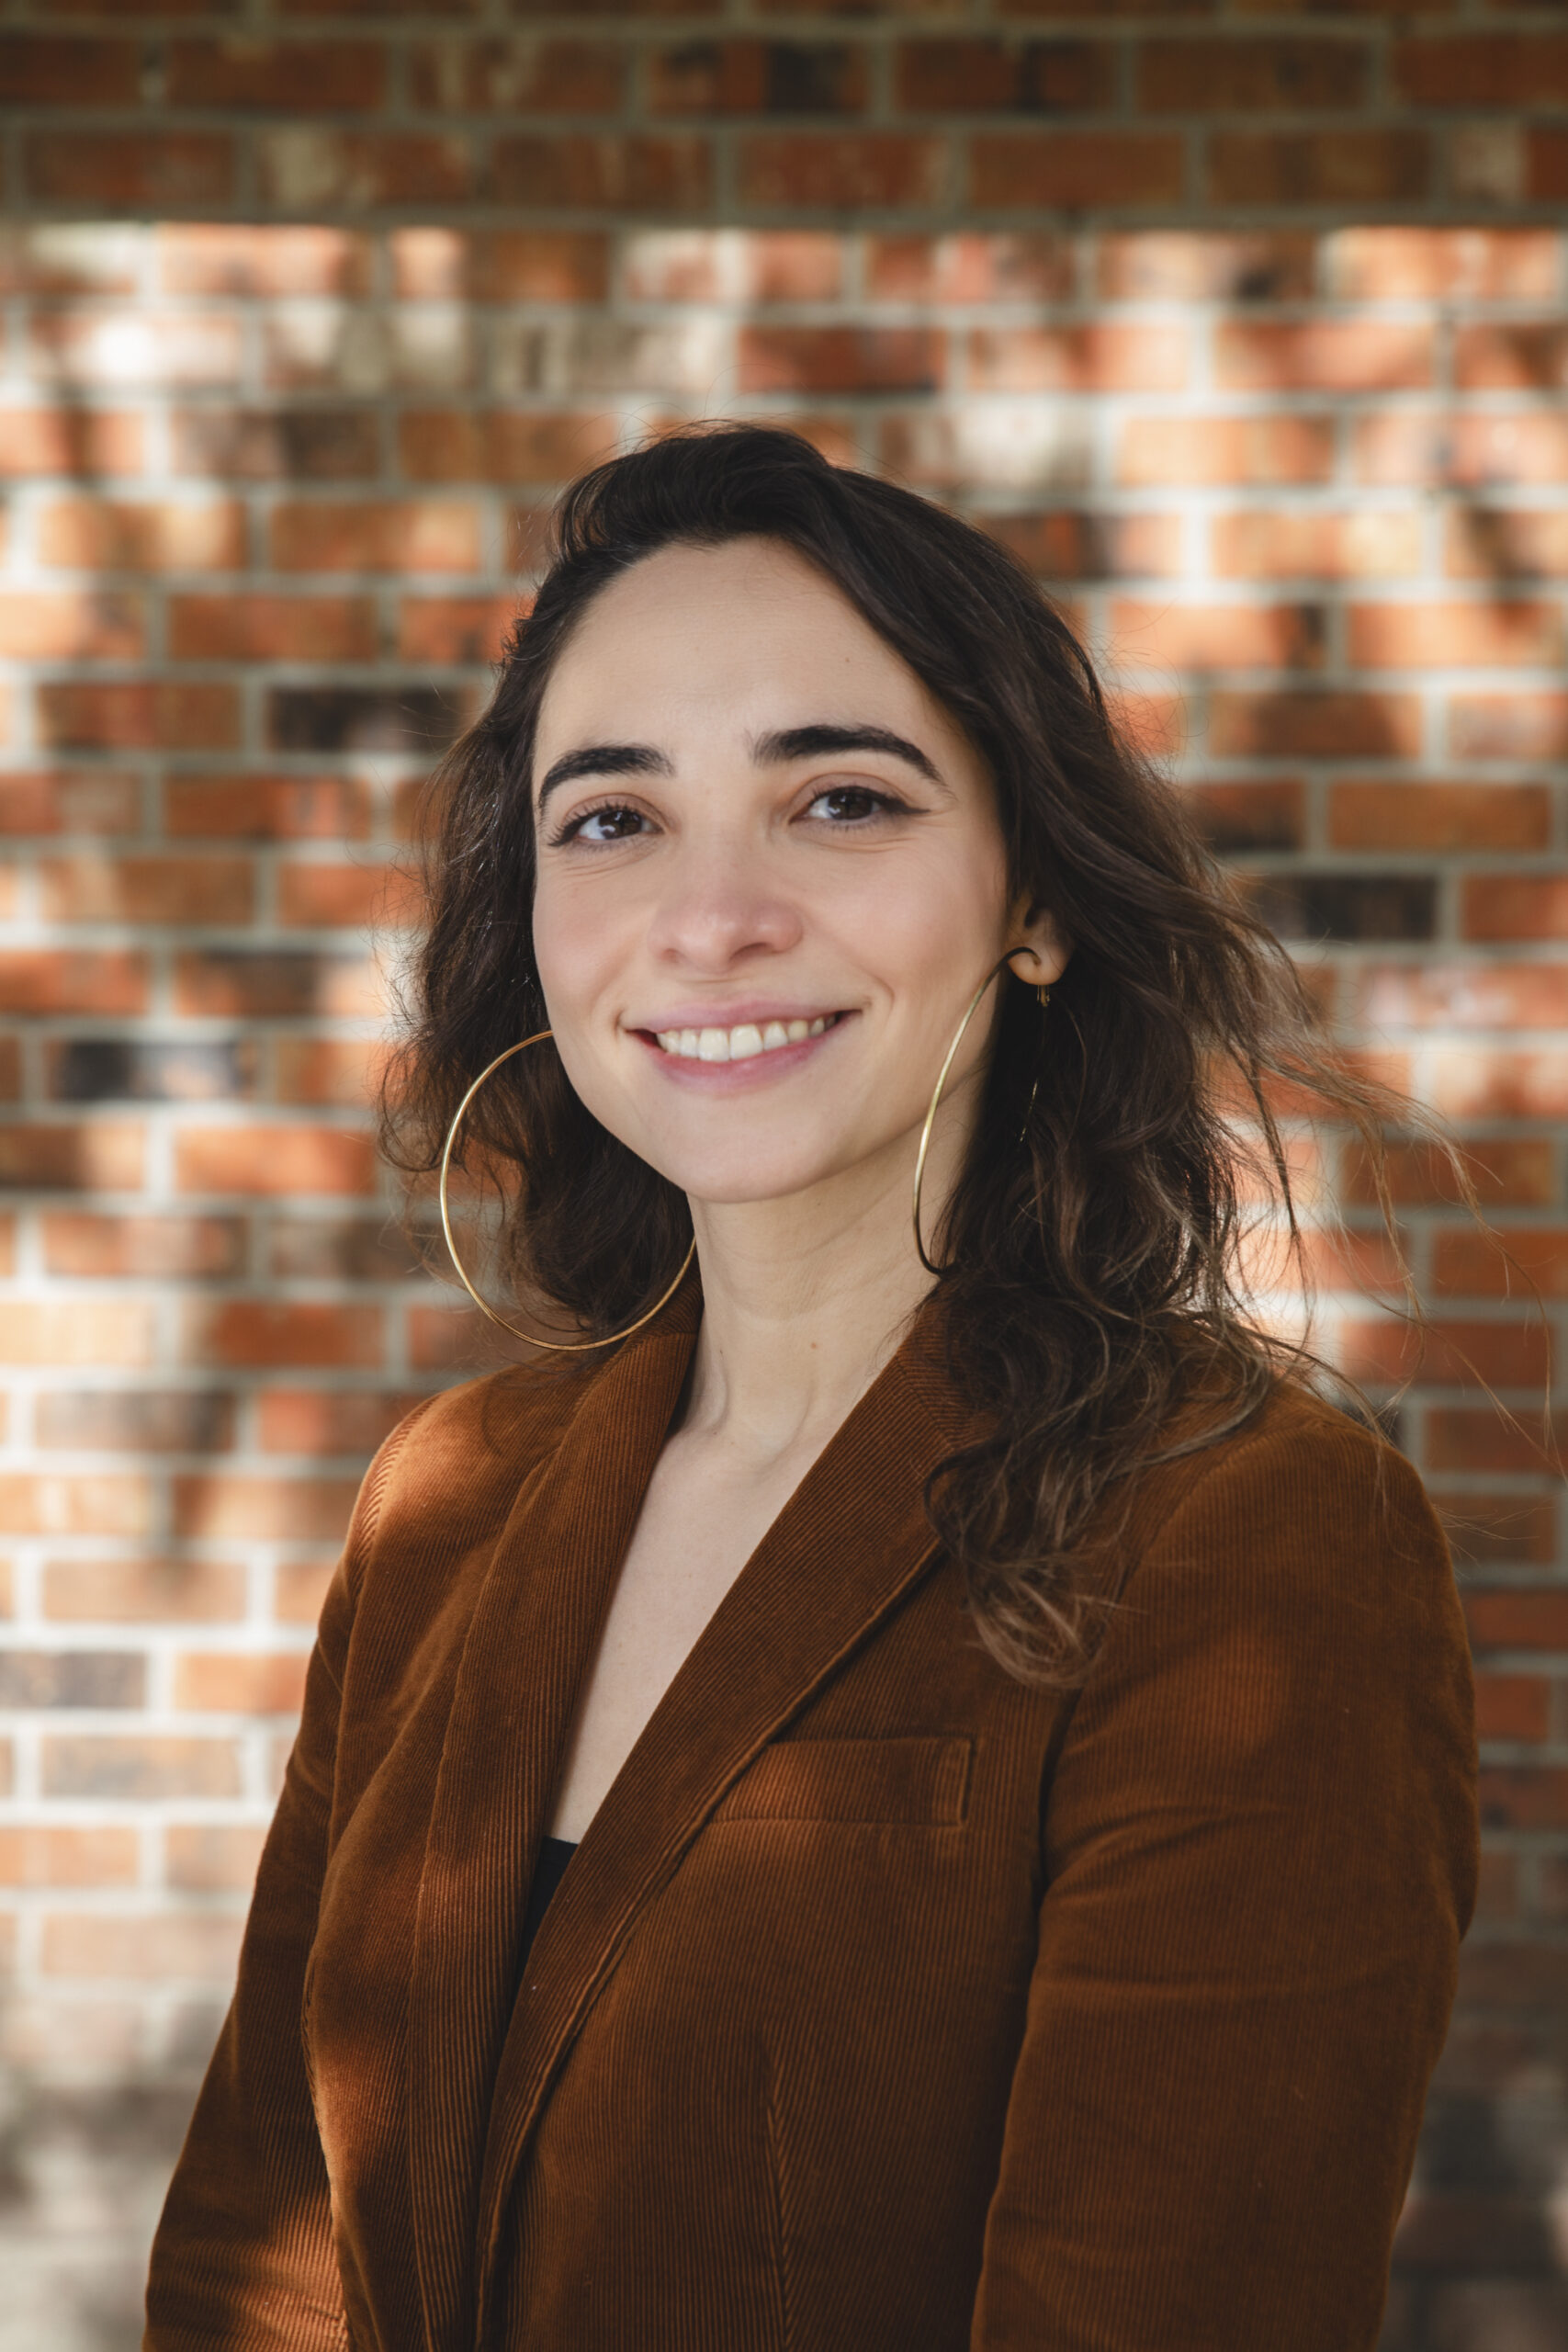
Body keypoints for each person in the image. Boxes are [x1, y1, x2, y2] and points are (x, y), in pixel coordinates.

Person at [144, 424, 1476, 2352]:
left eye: (837, 800)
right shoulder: (448, 1495)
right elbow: (258, 2254)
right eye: (613, 818)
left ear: (1030, 902)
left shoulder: (1249, 1538)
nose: (711, 916)